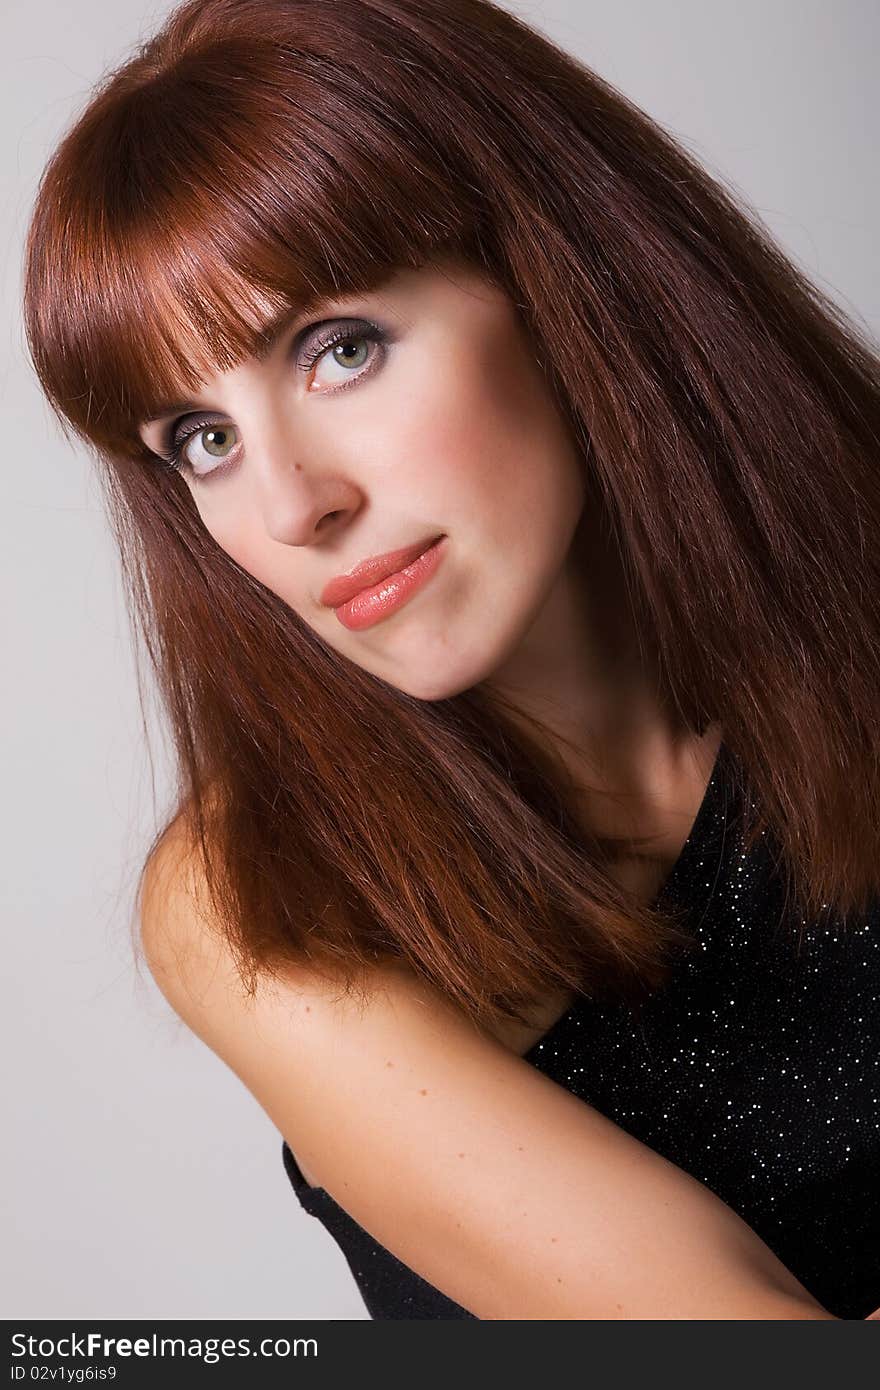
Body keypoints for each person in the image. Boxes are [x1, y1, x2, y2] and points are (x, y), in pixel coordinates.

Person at [22, 0, 880, 1320]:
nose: (292, 504)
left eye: (338, 349)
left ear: (560, 279)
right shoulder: (264, 900)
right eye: (200, 439)